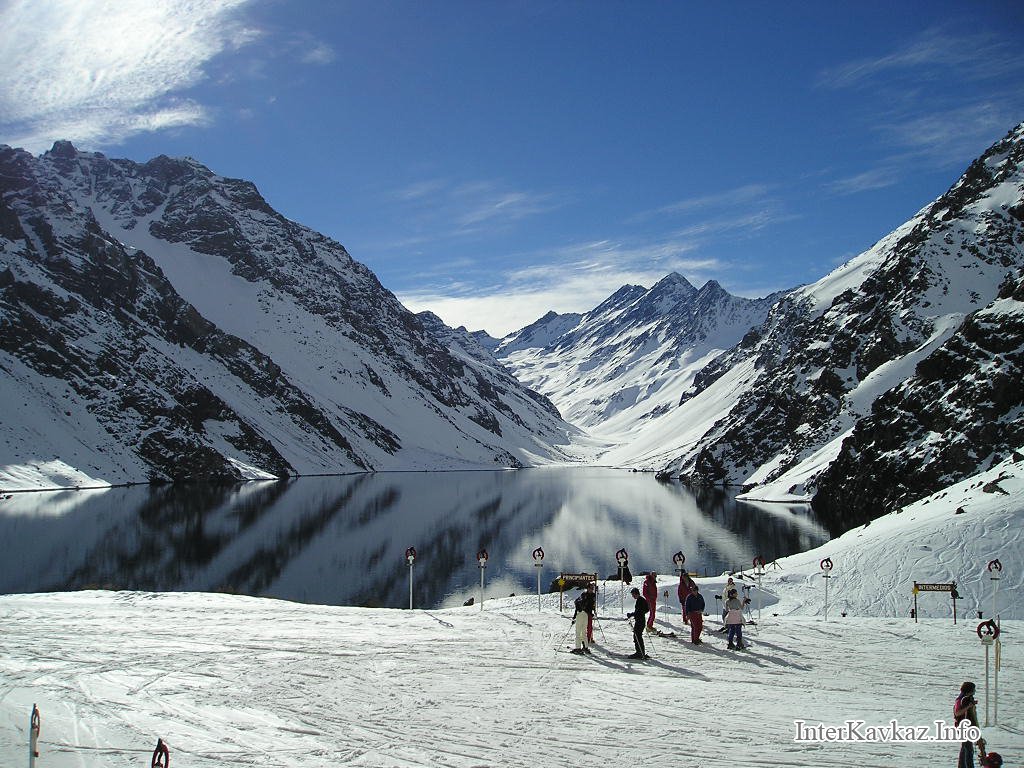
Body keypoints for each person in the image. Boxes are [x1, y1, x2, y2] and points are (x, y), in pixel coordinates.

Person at [954, 681, 980, 768]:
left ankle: (968, 765)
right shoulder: (960, 700)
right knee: (966, 748)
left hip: (968, 727)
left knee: (968, 748)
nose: (975, 691)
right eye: (973, 689)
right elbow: (957, 713)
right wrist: (969, 706)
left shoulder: (967, 699)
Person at [570, 585, 596, 655]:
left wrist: (574, 618)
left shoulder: (582, 597)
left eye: (592, 588)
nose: (591, 590)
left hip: (581, 614)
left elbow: (577, 608)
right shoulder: (587, 595)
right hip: (586, 615)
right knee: (584, 632)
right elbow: (592, 604)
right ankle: (586, 647)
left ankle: (578, 648)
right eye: (591, 588)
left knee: (578, 632)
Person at [626, 587, 649, 659]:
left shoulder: (640, 601)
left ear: (636, 593)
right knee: (638, 636)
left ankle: (639, 653)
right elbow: (646, 609)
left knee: (637, 636)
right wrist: (639, 614)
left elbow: (638, 612)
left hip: (640, 621)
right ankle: (641, 652)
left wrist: (631, 614)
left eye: (633, 594)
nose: (632, 596)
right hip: (641, 620)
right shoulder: (641, 600)